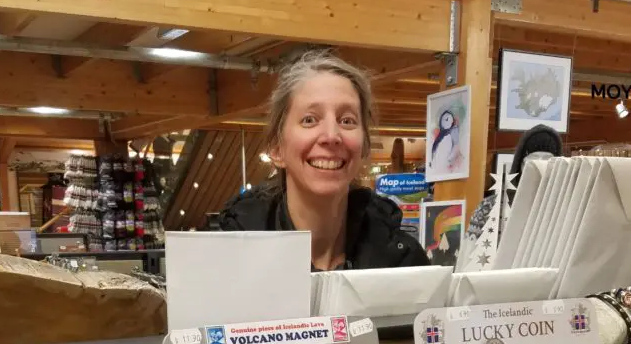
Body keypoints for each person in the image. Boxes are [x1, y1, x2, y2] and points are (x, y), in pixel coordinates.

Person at [217, 50, 429, 271]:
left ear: (364, 146)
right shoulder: (228, 260)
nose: (331, 136)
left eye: (347, 120)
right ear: (277, 148)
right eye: (310, 120)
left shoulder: (403, 263)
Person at [465, 125, 563, 249]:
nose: (540, 165)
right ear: (521, 164)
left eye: (548, 159)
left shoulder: (564, 207)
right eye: (533, 160)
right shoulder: (490, 208)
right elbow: (469, 254)